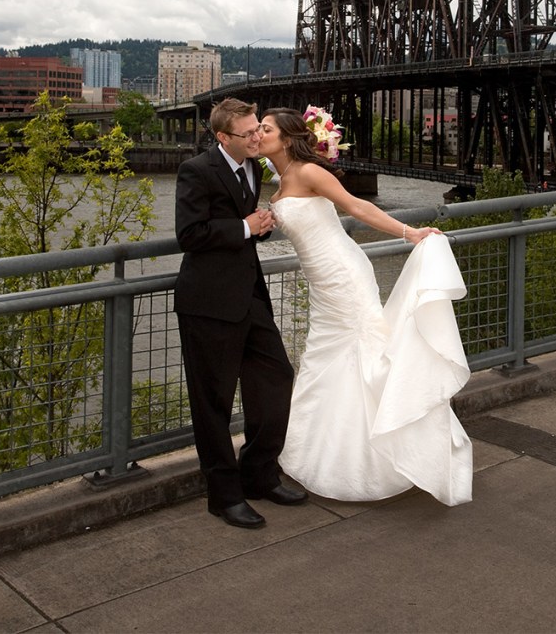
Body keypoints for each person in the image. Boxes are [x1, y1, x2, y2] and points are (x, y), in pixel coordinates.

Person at [259, 106, 473, 506]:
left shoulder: (307, 172)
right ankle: (324, 455)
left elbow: (358, 207)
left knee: (364, 355)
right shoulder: (281, 178)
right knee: (325, 360)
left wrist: (410, 232)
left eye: (265, 128)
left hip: (344, 275)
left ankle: (387, 456)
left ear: (287, 138)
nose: (258, 133)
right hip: (322, 283)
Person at [174, 97, 307, 530]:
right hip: (208, 304)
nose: (256, 137)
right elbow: (190, 234)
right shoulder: (196, 170)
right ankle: (224, 496)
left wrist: (259, 228)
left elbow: (245, 225)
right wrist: (246, 227)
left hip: (249, 297)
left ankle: (259, 474)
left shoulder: (253, 165)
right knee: (212, 403)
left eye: (257, 130)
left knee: (275, 379)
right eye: (248, 133)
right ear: (222, 137)